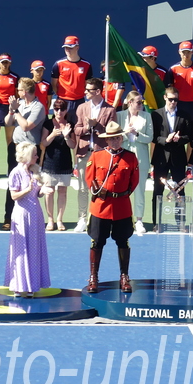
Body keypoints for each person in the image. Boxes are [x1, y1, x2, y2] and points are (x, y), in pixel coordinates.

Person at [85, 121, 140, 293]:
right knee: (97, 241)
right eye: (111, 139)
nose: (115, 141)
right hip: (101, 206)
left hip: (122, 206)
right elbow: (89, 178)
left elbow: (134, 181)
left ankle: (124, 276)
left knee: (123, 241)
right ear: (106, 141)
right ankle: (93, 276)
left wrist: (121, 194)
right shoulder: (97, 156)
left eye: (117, 138)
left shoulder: (130, 157)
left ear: (121, 139)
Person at [5, 142, 53, 296]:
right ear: (27, 157)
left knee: (34, 248)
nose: (37, 157)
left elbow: (36, 192)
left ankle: (32, 285)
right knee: (21, 250)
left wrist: (43, 190)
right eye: (35, 155)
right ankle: (19, 285)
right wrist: (28, 189)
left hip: (35, 214)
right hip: (21, 214)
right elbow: (14, 196)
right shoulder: (15, 172)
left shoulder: (33, 171)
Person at [74, 78, 117, 232]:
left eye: (89, 90)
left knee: (103, 187)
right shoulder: (81, 108)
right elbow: (76, 130)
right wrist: (87, 127)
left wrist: (97, 126)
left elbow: (113, 133)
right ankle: (82, 218)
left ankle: (101, 218)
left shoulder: (110, 110)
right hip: (85, 153)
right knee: (83, 188)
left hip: (102, 154)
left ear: (98, 91)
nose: (85, 92)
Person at [3, 77, 46, 230]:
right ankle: (9, 217)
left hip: (30, 150)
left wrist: (16, 111)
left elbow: (27, 126)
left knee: (30, 183)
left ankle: (31, 217)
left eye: (19, 89)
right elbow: (8, 122)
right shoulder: (19, 105)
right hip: (15, 148)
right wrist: (11, 110)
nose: (17, 92)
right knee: (13, 182)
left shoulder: (38, 107)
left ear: (26, 91)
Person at [151, 87, 190, 231]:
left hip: (178, 158)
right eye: (171, 99)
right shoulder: (156, 115)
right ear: (165, 98)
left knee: (180, 191)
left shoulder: (184, 115)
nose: (173, 102)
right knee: (158, 190)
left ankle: (181, 223)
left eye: (176, 100)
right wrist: (165, 140)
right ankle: (157, 223)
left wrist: (179, 139)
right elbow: (153, 136)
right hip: (161, 158)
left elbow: (189, 136)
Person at [117, 90, 153, 234]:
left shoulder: (147, 116)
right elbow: (115, 136)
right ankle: (122, 218)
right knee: (121, 189)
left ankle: (139, 220)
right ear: (130, 102)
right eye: (138, 102)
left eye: (142, 102)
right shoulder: (120, 116)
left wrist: (136, 134)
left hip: (140, 159)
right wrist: (126, 133)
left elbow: (149, 138)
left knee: (139, 190)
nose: (140, 105)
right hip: (123, 158)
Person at [40, 99, 76, 231]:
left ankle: (60, 220)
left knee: (62, 191)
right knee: (49, 192)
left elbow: (73, 146)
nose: (59, 112)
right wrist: (53, 134)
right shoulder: (48, 124)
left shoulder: (70, 124)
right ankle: (50, 220)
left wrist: (66, 136)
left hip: (65, 163)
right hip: (49, 163)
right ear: (53, 110)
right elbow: (43, 143)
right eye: (56, 109)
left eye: (62, 109)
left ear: (66, 110)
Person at [52, 36, 92, 119]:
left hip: (80, 100)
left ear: (77, 47)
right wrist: (61, 94)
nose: (68, 50)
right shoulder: (58, 64)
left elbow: (87, 83)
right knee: (61, 126)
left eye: (70, 47)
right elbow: (54, 83)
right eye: (66, 48)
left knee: (79, 125)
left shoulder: (86, 65)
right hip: (62, 100)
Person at [165, 41, 193, 119]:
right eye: (183, 52)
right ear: (179, 52)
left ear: (192, 52)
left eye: (188, 52)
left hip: (192, 104)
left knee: (192, 127)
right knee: (178, 126)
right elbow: (171, 88)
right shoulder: (173, 69)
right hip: (177, 102)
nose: (186, 55)